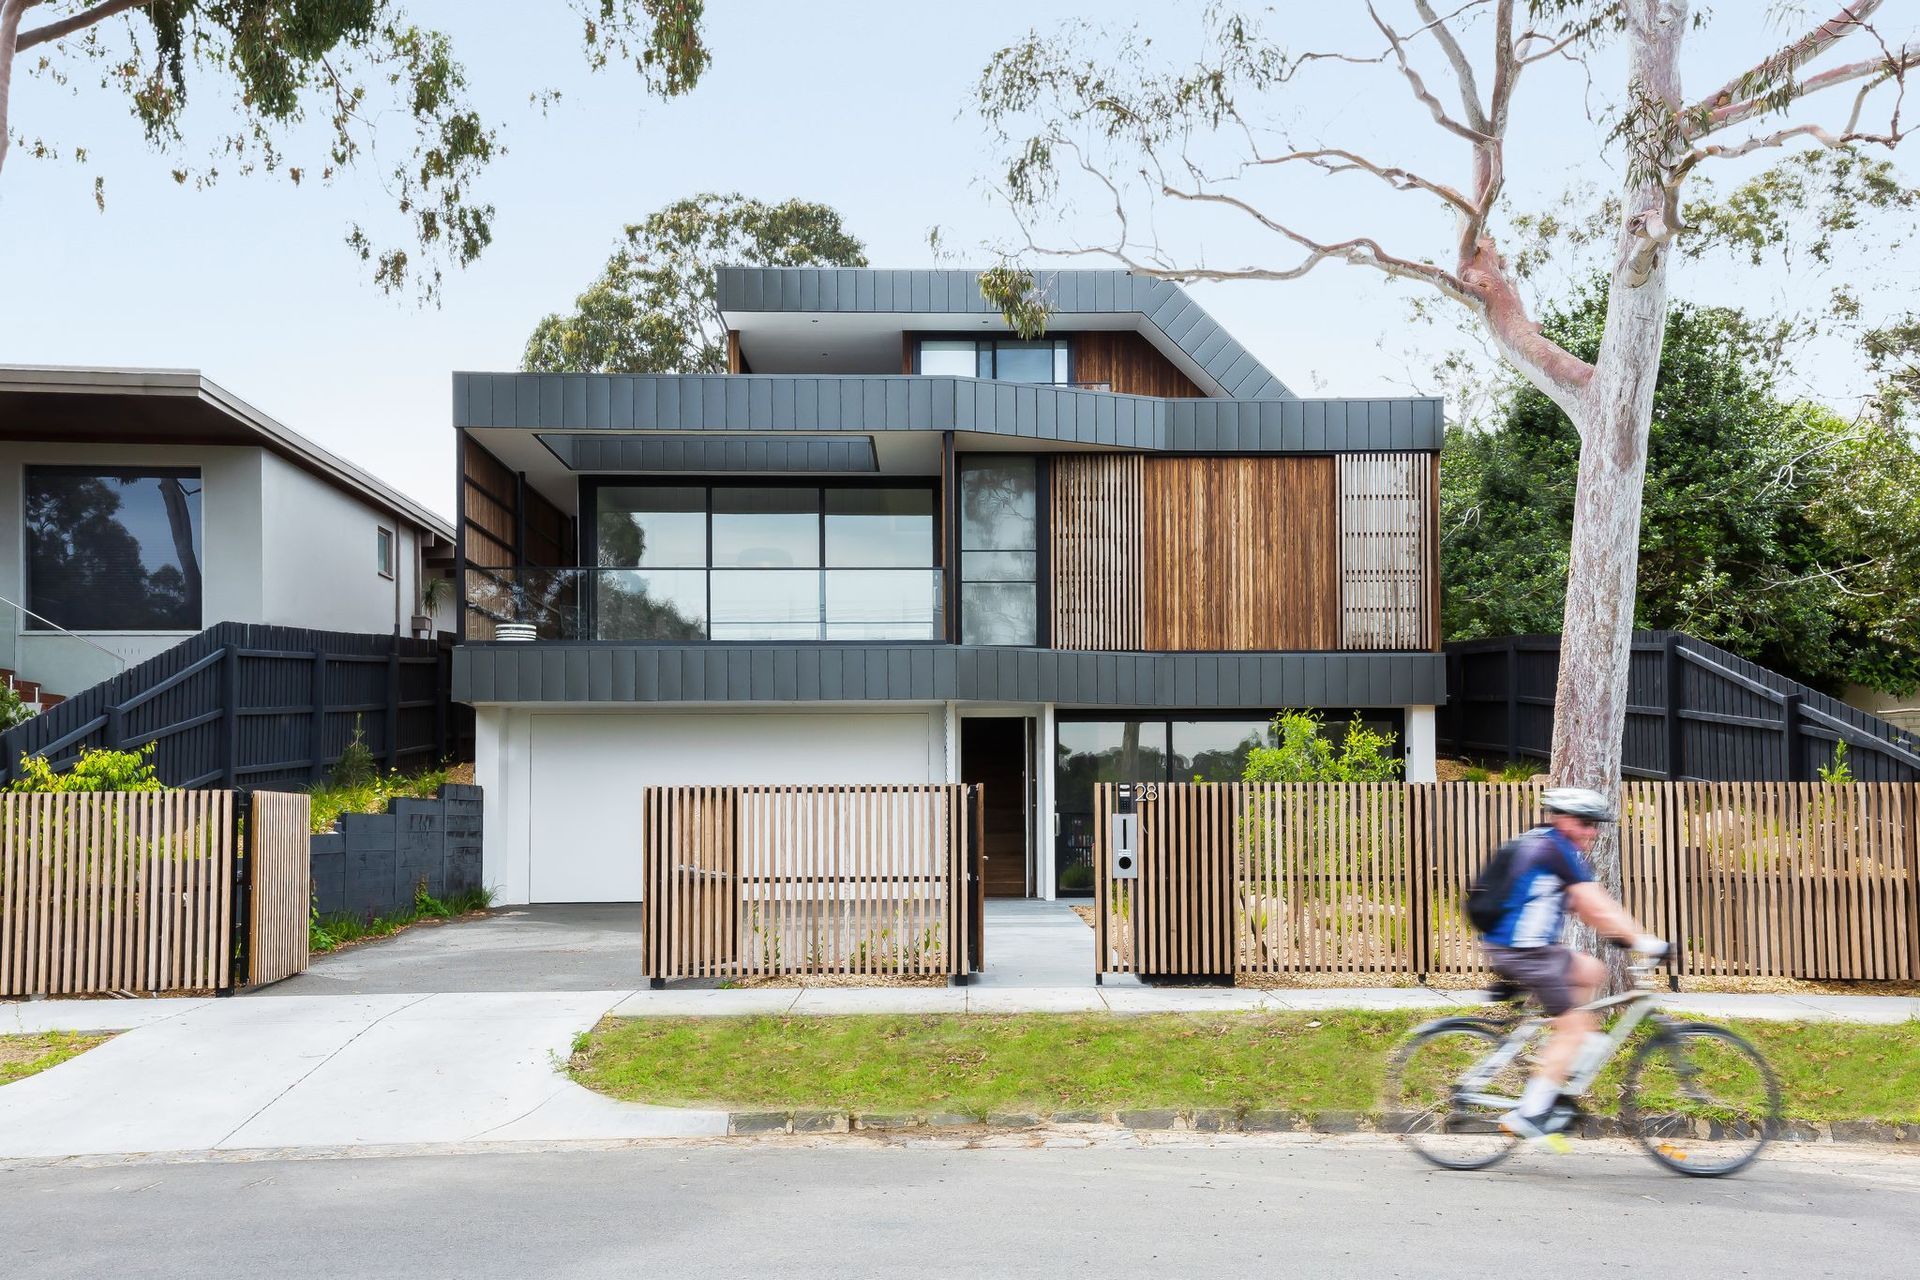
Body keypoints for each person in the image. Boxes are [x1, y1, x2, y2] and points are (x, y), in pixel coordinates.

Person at [1481, 786, 1668, 1142]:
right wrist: (1644, 941)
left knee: (1591, 971)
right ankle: (1532, 1113)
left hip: (1529, 948)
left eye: (1594, 824)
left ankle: (1560, 1057)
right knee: (1575, 1026)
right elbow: (1594, 903)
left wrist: (1620, 933)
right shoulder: (1555, 849)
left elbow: (1583, 907)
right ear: (1562, 818)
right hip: (1524, 951)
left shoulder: (1550, 846)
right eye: (1584, 822)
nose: (1591, 831)